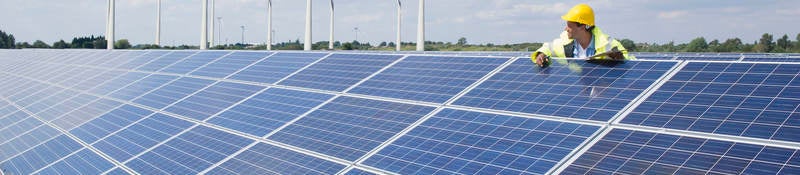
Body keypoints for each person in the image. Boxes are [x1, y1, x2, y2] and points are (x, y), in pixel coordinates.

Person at [532, 3, 634, 68]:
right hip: (575, 92)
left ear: (583, 26)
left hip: (600, 92)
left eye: (569, 26)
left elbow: (633, 64)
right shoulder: (564, 43)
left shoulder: (609, 44)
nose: (566, 29)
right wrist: (540, 54)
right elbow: (548, 47)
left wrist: (621, 60)